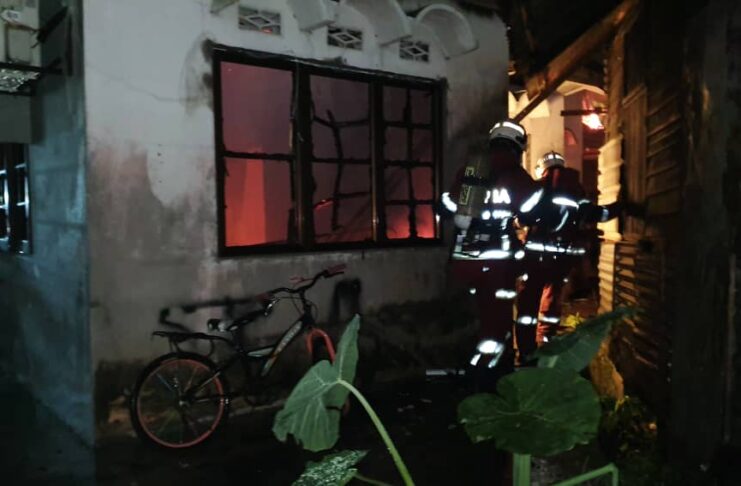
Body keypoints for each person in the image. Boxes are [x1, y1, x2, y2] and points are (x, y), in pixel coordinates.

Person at [442, 120, 544, 383]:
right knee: (498, 321)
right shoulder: (516, 175)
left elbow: (448, 207)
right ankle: (490, 375)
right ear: (518, 146)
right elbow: (531, 214)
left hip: (464, 260)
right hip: (498, 264)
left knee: (476, 317)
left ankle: (472, 365)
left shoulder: (471, 171)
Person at [515, 151, 623, 359]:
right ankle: (547, 346)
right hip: (562, 260)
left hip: (536, 258)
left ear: (542, 168)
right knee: (551, 303)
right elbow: (598, 214)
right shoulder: (576, 190)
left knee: (528, 305)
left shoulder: (538, 188)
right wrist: (621, 205)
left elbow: (524, 218)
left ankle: (527, 352)